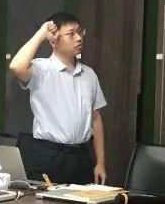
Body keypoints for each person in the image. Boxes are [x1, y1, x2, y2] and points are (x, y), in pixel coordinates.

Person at [8, 12, 107, 185]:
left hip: (81, 156)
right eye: (71, 34)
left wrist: (101, 162)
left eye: (80, 32)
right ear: (53, 40)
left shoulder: (89, 74)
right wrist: (41, 33)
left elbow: (96, 118)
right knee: (47, 203)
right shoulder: (42, 69)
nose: (78, 38)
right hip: (49, 155)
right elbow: (16, 66)